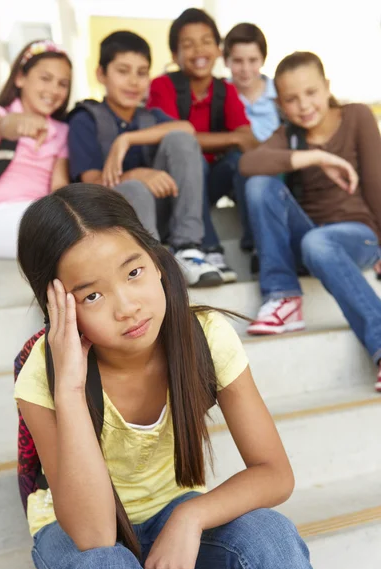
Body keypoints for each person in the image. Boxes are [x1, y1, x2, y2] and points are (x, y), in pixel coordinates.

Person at [14, 183, 321, 569]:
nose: (127, 307)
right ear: (57, 307)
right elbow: (95, 535)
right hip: (74, 533)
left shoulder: (204, 336)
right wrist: (69, 387)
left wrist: (190, 517)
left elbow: (274, 473)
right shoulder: (43, 375)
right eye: (93, 295)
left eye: (134, 272)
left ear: (157, 261)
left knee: (271, 535)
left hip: (169, 511)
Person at [239, 51, 381, 392]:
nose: (303, 105)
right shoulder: (289, 135)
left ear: (327, 86)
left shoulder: (356, 116)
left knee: (318, 242)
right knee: (259, 185)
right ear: (280, 104)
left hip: (358, 235)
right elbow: (248, 164)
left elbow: (377, 182)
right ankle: (284, 296)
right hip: (310, 239)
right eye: (291, 98)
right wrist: (313, 156)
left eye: (311, 92)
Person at [68, 31, 221, 288]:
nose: (133, 81)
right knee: (134, 188)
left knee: (180, 140)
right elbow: (90, 183)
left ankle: (187, 248)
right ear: (101, 74)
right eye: (123, 71)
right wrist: (137, 174)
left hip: (160, 215)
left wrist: (126, 140)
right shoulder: (86, 120)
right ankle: (153, 263)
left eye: (141, 73)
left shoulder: (150, 117)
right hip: (113, 224)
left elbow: (187, 129)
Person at [148, 8, 259, 282]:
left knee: (239, 161)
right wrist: (230, 138)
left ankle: (256, 245)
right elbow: (173, 136)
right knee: (191, 154)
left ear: (219, 49)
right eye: (188, 44)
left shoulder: (225, 90)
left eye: (206, 41)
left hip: (210, 183)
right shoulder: (163, 86)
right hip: (174, 187)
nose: (199, 49)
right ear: (175, 55)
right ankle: (207, 247)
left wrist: (233, 140)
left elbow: (247, 140)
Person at [0, 39, 71, 259]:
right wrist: (17, 123)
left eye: (62, 83)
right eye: (45, 78)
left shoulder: (62, 131)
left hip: (41, 214)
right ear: (20, 78)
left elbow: (59, 185)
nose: (54, 89)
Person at [223, 23, 280, 143]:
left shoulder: (279, 92)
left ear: (263, 60)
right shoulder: (218, 94)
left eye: (253, 60)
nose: (245, 69)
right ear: (226, 61)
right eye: (238, 61)